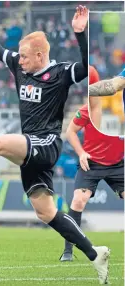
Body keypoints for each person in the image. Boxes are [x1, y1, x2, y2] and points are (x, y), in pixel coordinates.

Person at [0, 6, 110, 284]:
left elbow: (87, 67)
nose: (20, 61)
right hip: (31, 148)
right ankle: (94, 254)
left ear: (40, 55)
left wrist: (80, 33)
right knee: (46, 213)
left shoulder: (61, 73)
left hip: (47, 143)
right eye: (20, 56)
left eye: (25, 56)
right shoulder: (19, 64)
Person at [59, 101, 124, 262]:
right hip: (91, 163)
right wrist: (81, 153)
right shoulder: (91, 107)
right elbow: (71, 131)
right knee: (78, 200)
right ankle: (68, 251)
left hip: (118, 164)